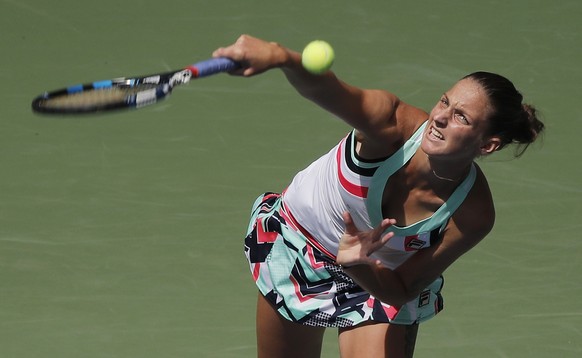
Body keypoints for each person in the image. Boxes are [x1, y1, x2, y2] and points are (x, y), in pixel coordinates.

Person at [212, 35, 545, 358]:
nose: (440, 117)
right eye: (444, 101)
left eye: (461, 117)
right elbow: (328, 90)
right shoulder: (391, 124)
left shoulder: (473, 214)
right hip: (300, 246)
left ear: (488, 145)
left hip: (376, 278)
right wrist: (280, 56)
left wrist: (358, 264)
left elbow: (402, 287)